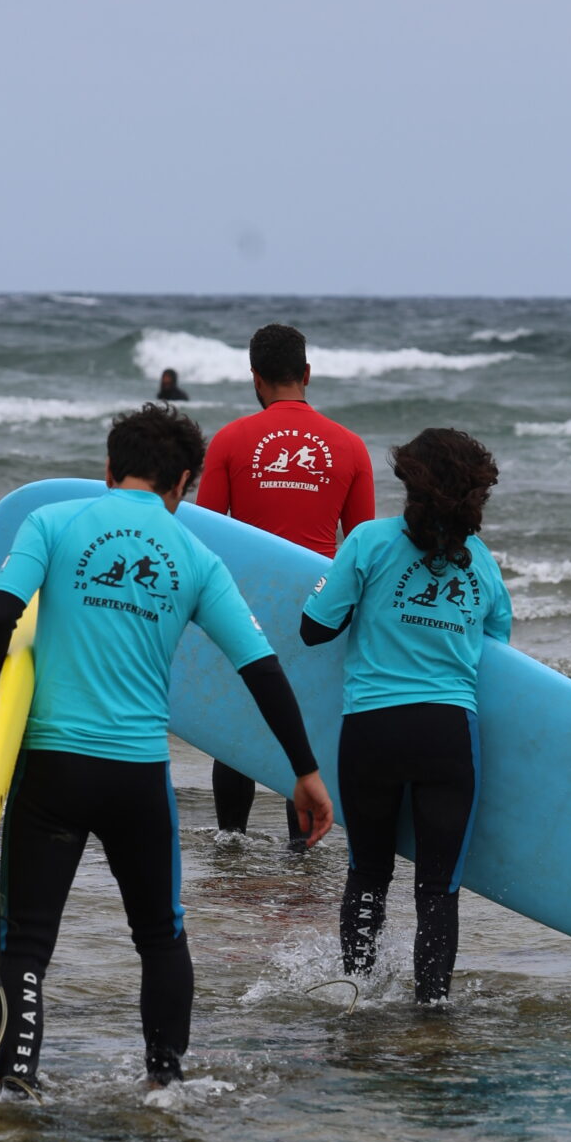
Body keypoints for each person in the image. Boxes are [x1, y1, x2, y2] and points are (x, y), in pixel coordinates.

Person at [0, 404, 333, 1098]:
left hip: (50, 769)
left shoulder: (53, 523)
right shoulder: (196, 557)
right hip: (136, 775)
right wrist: (303, 772)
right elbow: (261, 669)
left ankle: (17, 1084)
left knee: (24, 942)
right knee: (159, 935)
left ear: (108, 468)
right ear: (185, 482)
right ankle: (165, 1083)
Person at [301, 428, 510, 1005]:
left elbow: (314, 628)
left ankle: (360, 997)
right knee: (438, 888)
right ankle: (432, 1011)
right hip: (447, 734)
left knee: (369, 871)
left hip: (372, 730)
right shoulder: (485, 566)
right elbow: (500, 659)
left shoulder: (368, 542)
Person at [199, 321, 375, 841]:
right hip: (316, 615)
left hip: (242, 608)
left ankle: (231, 848)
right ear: (307, 373)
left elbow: (208, 537)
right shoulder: (349, 447)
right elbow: (361, 549)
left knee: (237, 730)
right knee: (300, 737)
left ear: (255, 378)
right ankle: (300, 859)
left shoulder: (230, 441)